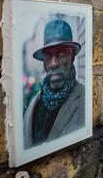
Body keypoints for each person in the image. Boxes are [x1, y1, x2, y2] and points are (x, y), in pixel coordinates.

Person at [23, 18, 85, 148]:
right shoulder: (33, 105)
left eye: (62, 53)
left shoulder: (85, 100)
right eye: (48, 55)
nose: (53, 64)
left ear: (72, 57)